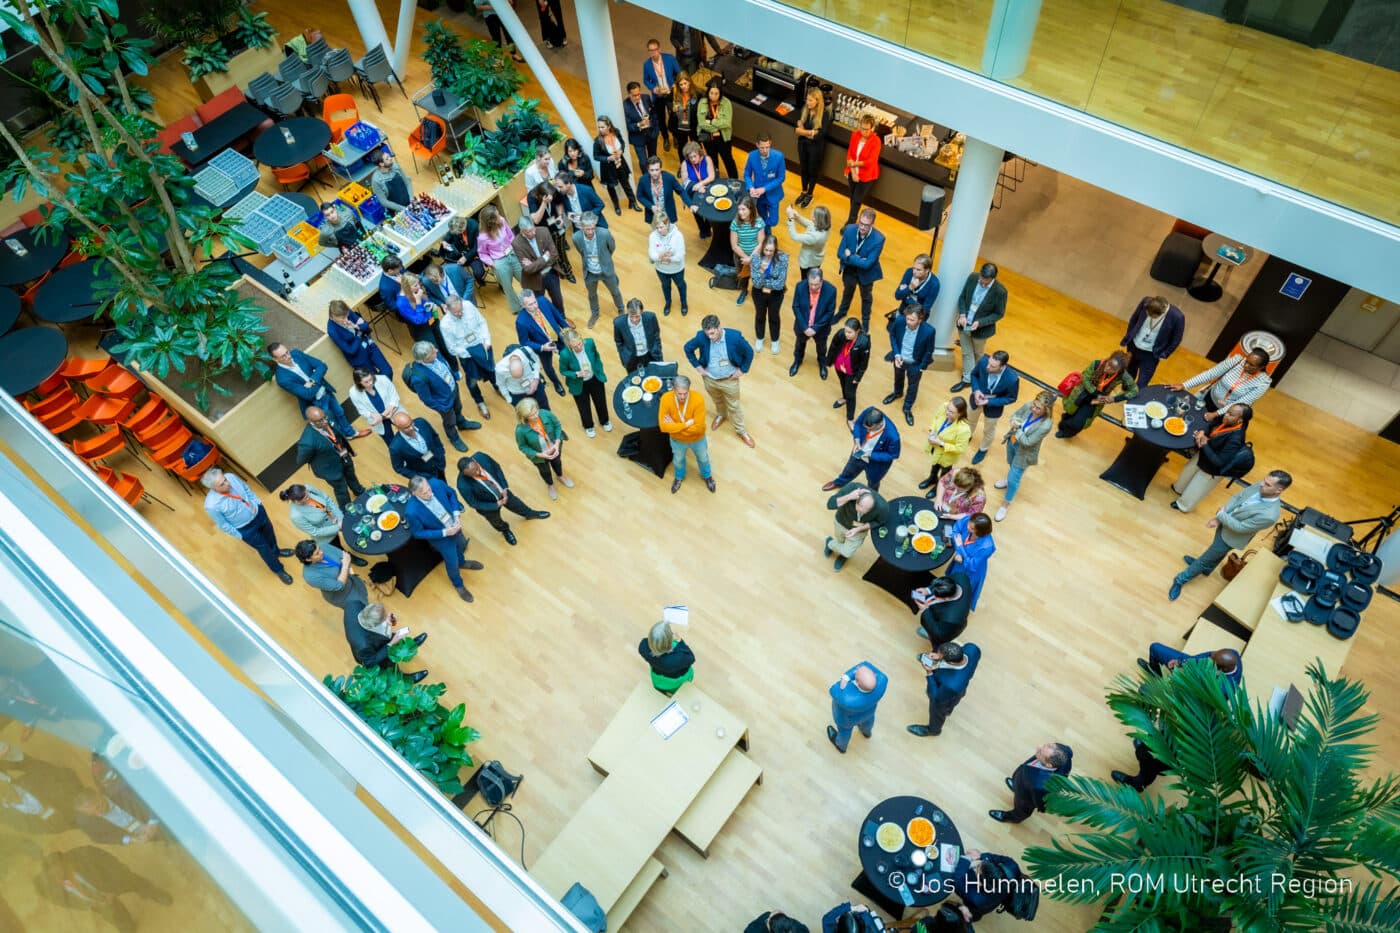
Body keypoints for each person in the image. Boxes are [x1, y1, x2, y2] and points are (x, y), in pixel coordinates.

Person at [1170, 470, 1291, 601]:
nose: (1261, 484)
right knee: (1214, 555)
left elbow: (1241, 528)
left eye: (1267, 484)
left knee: (1205, 559)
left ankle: (1180, 579)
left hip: (1231, 537)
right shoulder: (1261, 486)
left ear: (1279, 490)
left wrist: (1221, 515)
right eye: (1264, 480)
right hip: (1225, 522)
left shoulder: (1270, 515)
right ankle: (1207, 569)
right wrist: (1219, 518)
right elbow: (1237, 497)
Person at [35, 846, 172, 930]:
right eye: (53, 876)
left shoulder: (86, 854)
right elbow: (66, 903)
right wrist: (90, 904)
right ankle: (127, 927)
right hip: (95, 901)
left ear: (66, 862)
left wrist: (112, 891)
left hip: (113, 881)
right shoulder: (47, 889)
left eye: (61, 869)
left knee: (134, 882)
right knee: (115, 916)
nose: (59, 876)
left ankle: (153, 893)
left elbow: (115, 866)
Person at [201, 468, 293, 584]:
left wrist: (258, 503)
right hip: (246, 529)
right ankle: (278, 569)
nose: (227, 483)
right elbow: (223, 525)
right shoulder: (212, 505)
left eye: (224, 479)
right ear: (213, 488)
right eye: (222, 484)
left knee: (270, 534)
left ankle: (276, 551)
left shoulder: (231, 477)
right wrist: (240, 535)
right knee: (263, 548)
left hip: (259, 514)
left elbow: (246, 489)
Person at [404, 475, 484, 603]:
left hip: (455, 525)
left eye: (429, 489)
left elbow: (451, 494)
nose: (430, 494)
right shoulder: (411, 511)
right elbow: (418, 533)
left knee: (460, 546)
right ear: (414, 494)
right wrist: (444, 532)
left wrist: (456, 514)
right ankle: (458, 584)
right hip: (442, 539)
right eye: (425, 493)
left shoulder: (436, 483)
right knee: (451, 562)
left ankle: (462, 563)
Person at [684, 314, 756, 447]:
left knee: (734, 407)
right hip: (710, 379)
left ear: (719, 327)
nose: (710, 337)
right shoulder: (701, 336)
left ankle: (741, 431)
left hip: (729, 380)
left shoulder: (734, 337)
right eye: (708, 334)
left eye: (712, 333)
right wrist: (698, 368)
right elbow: (687, 348)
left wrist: (742, 370)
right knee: (717, 400)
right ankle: (721, 415)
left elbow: (749, 352)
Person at [269, 342, 367, 439]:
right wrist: (316, 375)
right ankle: (342, 442)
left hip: (325, 391)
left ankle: (350, 433)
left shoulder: (296, 354)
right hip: (315, 403)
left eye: (287, 352)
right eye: (283, 356)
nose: (288, 356)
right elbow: (308, 394)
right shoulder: (282, 378)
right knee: (329, 423)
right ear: (275, 359)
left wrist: (311, 381)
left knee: (339, 412)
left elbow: (322, 365)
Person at [1171, 403, 1252, 512]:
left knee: (1197, 487)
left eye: (1230, 414)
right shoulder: (1226, 420)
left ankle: (1183, 505)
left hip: (1213, 468)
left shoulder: (1235, 439)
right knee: (1187, 472)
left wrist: (1204, 443)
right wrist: (1202, 432)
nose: (1225, 415)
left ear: (1240, 421)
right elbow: (1211, 424)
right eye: (1227, 411)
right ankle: (1179, 489)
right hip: (1205, 453)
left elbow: (1219, 462)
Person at [455, 452, 549, 546]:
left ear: (474, 461)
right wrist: (496, 505)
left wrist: (504, 487)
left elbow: (497, 468)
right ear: (464, 474)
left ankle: (530, 514)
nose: (477, 472)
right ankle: (505, 530)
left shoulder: (481, 456)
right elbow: (473, 503)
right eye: (472, 473)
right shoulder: (462, 485)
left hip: (502, 492)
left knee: (517, 504)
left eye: (476, 469)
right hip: (488, 506)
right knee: (496, 521)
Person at [405, 340, 481, 453]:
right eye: (432, 352)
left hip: (453, 389)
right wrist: (442, 407)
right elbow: (427, 399)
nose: (436, 350)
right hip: (443, 403)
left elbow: (446, 366)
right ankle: (454, 438)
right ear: (425, 359)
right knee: (449, 421)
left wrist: (454, 376)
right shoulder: (418, 378)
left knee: (458, 409)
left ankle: (462, 423)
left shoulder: (436, 354)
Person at [994, 389, 1056, 522]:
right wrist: (1014, 421)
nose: (1033, 409)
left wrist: (1017, 428)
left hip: (1025, 452)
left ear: (1047, 410)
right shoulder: (1028, 406)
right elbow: (1015, 416)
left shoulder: (1046, 425)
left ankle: (1005, 505)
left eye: (1038, 408)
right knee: (1011, 464)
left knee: (1013, 479)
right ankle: (1008, 481)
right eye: (1034, 405)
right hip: (1012, 442)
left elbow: (1028, 442)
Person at [951, 263, 1008, 391]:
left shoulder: (1000, 291)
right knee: (966, 352)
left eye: (985, 281)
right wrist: (963, 314)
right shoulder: (972, 277)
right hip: (964, 324)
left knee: (978, 354)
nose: (982, 282)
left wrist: (980, 322)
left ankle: (978, 376)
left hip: (980, 330)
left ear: (993, 278)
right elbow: (962, 298)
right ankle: (967, 379)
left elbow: (999, 313)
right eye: (981, 279)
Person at [295, 406, 364, 508]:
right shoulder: (307, 441)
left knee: (351, 476)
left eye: (324, 418)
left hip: (344, 456)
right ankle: (347, 508)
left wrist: (347, 449)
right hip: (330, 468)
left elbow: (338, 435)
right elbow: (300, 460)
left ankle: (360, 492)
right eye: (319, 421)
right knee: (341, 490)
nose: (324, 422)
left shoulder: (328, 415)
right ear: (310, 421)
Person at [1057, 350, 1139, 438]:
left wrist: (1115, 399)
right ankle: (1063, 426)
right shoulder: (1096, 364)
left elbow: (1134, 390)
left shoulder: (1123, 375)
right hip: (1082, 393)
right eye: (1109, 364)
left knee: (1078, 423)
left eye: (1113, 369)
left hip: (1096, 401)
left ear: (1120, 370)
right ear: (1109, 359)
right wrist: (1096, 393)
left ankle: (1068, 432)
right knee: (1070, 411)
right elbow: (1085, 378)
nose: (1108, 368)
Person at [438, 294, 495, 420]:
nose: (459, 314)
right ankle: (479, 401)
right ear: (448, 309)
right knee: (472, 380)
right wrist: (472, 353)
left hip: (482, 345)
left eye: (460, 310)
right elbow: (452, 348)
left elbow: (482, 322)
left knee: (491, 369)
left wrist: (487, 340)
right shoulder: (445, 324)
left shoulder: (468, 306)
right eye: (456, 313)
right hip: (467, 354)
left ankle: (497, 386)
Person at [279, 483, 367, 564]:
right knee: (338, 548)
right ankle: (350, 558)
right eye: (305, 498)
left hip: (336, 518)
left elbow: (327, 500)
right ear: (297, 502)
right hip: (326, 534)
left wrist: (340, 518)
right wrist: (337, 527)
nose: (309, 496)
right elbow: (315, 531)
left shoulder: (307, 489)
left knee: (351, 531)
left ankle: (357, 543)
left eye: (307, 494)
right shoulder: (296, 516)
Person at [908, 641, 980, 738]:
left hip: (945, 693)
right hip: (960, 688)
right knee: (952, 704)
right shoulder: (972, 648)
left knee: (937, 712)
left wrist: (929, 672)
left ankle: (933, 730)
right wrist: (938, 656)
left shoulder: (950, 685)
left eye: (939, 656)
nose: (935, 656)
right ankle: (948, 710)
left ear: (950, 662)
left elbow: (936, 696)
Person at [989, 742, 1074, 823]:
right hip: (1022, 778)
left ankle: (1012, 817)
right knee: (1017, 781)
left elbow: (1041, 803)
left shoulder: (1040, 786)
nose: (1039, 746)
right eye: (1046, 745)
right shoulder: (1064, 750)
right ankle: (1015, 785)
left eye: (1040, 752)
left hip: (1025, 796)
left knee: (1021, 810)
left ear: (1049, 765)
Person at [821, 406, 901, 491]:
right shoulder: (869, 411)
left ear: (880, 424)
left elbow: (893, 455)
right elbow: (858, 424)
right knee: (849, 469)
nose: (868, 431)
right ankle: (839, 483)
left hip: (877, 463)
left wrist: (871, 455)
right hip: (859, 450)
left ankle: (871, 493)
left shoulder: (893, 436)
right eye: (866, 428)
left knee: (873, 481)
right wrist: (857, 440)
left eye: (870, 429)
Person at [658, 374, 714, 494]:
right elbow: (663, 427)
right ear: (673, 390)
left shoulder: (698, 399)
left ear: (689, 390)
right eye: (679, 394)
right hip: (677, 440)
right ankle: (679, 477)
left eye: (685, 393)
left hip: (697, 439)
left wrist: (674, 425)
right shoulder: (665, 399)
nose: (682, 397)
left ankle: (707, 475)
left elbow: (698, 428)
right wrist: (686, 424)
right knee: (678, 460)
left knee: (703, 458)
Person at [1172, 347, 1273, 413]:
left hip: (1227, 412)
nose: (1246, 365)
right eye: (1247, 361)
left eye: (1251, 365)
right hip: (1208, 398)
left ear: (1261, 367)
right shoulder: (1236, 361)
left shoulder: (1263, 383)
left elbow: (1241, 404)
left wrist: (1216, 414)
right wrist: (1184, 385)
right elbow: (1210, 374)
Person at [882, 303, 936, 427]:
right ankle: (897, 393)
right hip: (899, 359)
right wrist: (896, 354)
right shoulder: (900, 321)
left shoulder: (929, 331)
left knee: (913, 386)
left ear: (920, 320)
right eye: (907, 318)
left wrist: (921, 367)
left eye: (912, 320)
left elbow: (929, 350)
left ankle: (907, 407)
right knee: (898, 378)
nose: (908, 321)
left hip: (915, 364)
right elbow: (893, 335)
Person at [394, 272, 458, 374]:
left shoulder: (417, 291)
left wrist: (435, 312)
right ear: (407, 287)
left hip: (433, 321)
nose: (418, 287)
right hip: (422, 329)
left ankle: (455, 369)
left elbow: (428, 304)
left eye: (418, 284)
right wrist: (418, 301)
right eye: (415, 285)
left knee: (444, 344)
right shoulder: (401, 303)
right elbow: (418, 320)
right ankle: (447, 372)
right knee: (435, 350)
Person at [347, 602, 428, 681]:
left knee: (395, 638)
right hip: (373, 653)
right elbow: (370, 662)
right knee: (390, 664)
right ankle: (405, 679)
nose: (388, 616)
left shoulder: (354, 604)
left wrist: (388, 620)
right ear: (375, 625)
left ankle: (409, 647)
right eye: (385, 617)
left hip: (378, 637)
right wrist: (391, 643)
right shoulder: (363, 646)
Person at [966, 350, 1020, 465]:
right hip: (976, 398)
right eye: (989, 363)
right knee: (969, 421)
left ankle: (983, 449)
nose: (987, 367)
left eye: (992, 366)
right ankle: (967, 436)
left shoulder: (1012, 379)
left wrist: (989, 401)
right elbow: (974, 375)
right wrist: (976, 390)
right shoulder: (984, 362)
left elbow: (1011, 398)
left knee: (988, 430)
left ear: (1002, 367)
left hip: (993, 405)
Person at [573, 213, 626, 328]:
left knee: (615, 291)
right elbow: (581, 252)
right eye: (587, 229)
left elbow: (611, 248)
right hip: (590, 272)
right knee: (592, 294)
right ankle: (595, 313)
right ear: (581, 227)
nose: (591, 231)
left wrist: (605, 259)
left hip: (606, 269)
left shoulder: (604, 233)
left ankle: (621, 309)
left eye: (593, 228)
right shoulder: (576, 238)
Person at [835, 207, 885, 330]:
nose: (862, 227)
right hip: (850, 270)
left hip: (866, 273)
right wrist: (859, 259)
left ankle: (865, 321)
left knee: (866, 297)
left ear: (872, 224)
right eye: (861, 223)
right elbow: (840, 253)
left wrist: (850, 256)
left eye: (866, 225)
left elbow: (868, 264)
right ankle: (842, 312)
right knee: (847, 292)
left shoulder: (879, 239)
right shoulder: (849, 229)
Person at [513, 397, 572, 500]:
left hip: (554, 447)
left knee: (557, 463)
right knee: (544, 471)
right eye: (531, 415)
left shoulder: (545, 413)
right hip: (539, 456)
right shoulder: (520, 430)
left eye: (536, 412)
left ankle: (560, 476)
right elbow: (523, 447)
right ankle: (550, 485)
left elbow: (557, 425)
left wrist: (557, 444)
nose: (536, 416)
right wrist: (539, 454)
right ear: (524, 416)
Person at [515, 288, 570, 396]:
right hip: (543, 346)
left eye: (534, 302)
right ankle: (556, 383)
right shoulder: (521, 321)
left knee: (568, 356)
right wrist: (542, 347)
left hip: (559, 337)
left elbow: (558, 317)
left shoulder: (543, 301)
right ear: (523, 305)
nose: (535, 306)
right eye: (530, 304)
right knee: (548, 367)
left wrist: (568, 332)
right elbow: (524, 342)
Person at [1119, 295, 1185, 386]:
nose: (1148, 316)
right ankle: (1126, 390)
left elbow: (1176, 339)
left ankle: (1134, 399)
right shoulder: (1146, 301)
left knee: (1142, 383)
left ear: (1161, 313)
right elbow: (1134, 319)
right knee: (1129, 373)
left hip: (1152, 354)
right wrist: (1129, 335)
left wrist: (1165, 354)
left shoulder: (1177, 317)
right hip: (1134, 346)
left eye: (1151, 315)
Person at [558, 327, 611, 437]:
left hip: (594, 378)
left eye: (580, 344)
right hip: (578, 383)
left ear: (582, 339)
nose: (579, 347)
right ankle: (588, 426)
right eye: (575, 346)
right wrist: (576, 374)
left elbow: (596, 356)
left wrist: (599, 369)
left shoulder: (590, 343)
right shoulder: (565, 354)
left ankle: (604, 420)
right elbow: (563, 371)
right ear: (569, 346)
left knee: (600, 401)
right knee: (583, 406)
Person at [824, 482, 888, 571]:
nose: (863, 513)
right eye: (860, 508)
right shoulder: (851, 488)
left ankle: (831, 544)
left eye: (867, 510)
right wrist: (849, 496)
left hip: (860, 531)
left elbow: (879, 521)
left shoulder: (883, 507)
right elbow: (830, 504)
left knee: (847, 552)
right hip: (841, 522)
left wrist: (858, 529)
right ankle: (839, 550)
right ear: (856, 501)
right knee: (840, 541)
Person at [827, 661, 887, 754]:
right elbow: (866, 664)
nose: (855, 672)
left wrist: (845, 677)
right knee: (868, 722)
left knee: (844, 732)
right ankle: (866, 733)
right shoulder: (882, 681)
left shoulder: (845, 698)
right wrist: (850, 676)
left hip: (847, 721)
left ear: (857, 683)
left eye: (855, 674)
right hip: (869, 713)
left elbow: (833, 689)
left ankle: (841, 746)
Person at [950, 849, 1024, 922]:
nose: (978, 865)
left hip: (979, 906)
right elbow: (999, 858)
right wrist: (981, 856)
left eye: (977, 869)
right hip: (1000, 897)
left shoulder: (974, 897)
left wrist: (967, 858)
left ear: (980, 883)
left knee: (974, 914)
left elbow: (956, 881)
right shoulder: (1012, 866)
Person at [513, 216, 567, 313]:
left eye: (533, 228)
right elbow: (528, 269)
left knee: (558, 301)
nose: (533, 232)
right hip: (534, 279)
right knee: (539, 304)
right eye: (529, 232)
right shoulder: (516, 243)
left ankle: (562, 320)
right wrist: (545, 258)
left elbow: (554, 255)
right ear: (522, 232)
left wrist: (534, 264)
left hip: (551, 273)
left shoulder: (544, 231)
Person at [327, 299, 392, 380]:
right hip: (359, 358)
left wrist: (356, 326)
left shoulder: (346, 311)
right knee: (374, 380)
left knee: (388, 371)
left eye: (347, 316)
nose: (347, 319)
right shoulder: (332, 330)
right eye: (343, 318)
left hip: (369, 345)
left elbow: (365, 325)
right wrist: (359, 334)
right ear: (333, 316)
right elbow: (350, 350)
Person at [295, 539, 368, 609]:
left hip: (351, 579)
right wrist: (345, 566)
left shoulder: (323, 546)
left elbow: (344, 556)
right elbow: (339, 586)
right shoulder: (311, 576)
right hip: (343, 595)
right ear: (308, 559)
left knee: (363, 592)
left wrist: (348, 569)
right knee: (362, 606)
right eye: (317, 553)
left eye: (319, 548)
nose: (321, 552)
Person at [477, 204, 523, 314]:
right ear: (491, 221)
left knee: (524, 278)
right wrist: (493, 264)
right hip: (499, 261)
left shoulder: (502, 220)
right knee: (507, 287)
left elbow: (511, 235)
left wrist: (514, 247)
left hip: (512, 253)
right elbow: (482, 253)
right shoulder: (482, 237)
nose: (500, 217)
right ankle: (517, 308)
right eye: (497, 216)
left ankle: (533, 298)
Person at [921, 397, 972, 494]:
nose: (947, 412)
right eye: (947, 409)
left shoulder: (964, 429)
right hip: (935, 447)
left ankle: (938, 487)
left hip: (947, 455)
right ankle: (932, 479)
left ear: (960, 414)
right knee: (934, 465)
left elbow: (960, 448)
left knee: (944, 473)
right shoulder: (945, 407)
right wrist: (932, 431)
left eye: (951, 412)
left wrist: (941, 443)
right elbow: (936, 418)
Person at [790, 266, 834, 378]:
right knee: (799, 345)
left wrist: (815, 328)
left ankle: (822, 363)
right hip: (802, 326)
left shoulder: (831, 290)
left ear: (821, 281)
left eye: (816, 284)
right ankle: (797, 361)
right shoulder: (800, 286)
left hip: (820, 328)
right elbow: (796, 306)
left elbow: (829, 313)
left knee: (821, 347)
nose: (813, 287)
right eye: (811, 284)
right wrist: (805, 327)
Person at [1138, 645, 1243, 690]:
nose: (1208, 660)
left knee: (1144, 689)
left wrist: (1180, 674)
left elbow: (1196, 693)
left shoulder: (1224, 688)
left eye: (1211, 662)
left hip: (1193, 687)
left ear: (1219, 671)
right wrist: (1181, 663)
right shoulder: (1232, 653)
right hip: (1192, 666)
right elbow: (1205, 656)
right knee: (1155, 647)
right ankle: (1155, 673)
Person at [593, 116, 640, 215]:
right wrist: (607, 158)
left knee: (626, 183)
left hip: (620, 163)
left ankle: (633, 202)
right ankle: (616, 206)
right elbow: (596, 156)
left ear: (609, 126)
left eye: (602, 127)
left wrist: (621, 151)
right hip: (608, 168)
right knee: (611, 187)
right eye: (599, 127)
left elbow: (622, 143)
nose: (600, 129)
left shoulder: (616, 132)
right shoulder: (597, 141)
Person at [751, 236, 790, 356]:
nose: (768, 253)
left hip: (776, 295)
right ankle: (760, 338)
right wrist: (762, 271)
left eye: (771, 251)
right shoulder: (756, 257)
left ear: (775, 249)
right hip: (758, 294)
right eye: (766, 250)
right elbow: (756, 282)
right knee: (760, 315)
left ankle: (775, 340)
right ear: (762, 248)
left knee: (774, 317)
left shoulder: (783, 259)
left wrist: (763, 279)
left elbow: (780, 284)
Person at [827, 318, 869, 425]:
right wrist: (829, 361)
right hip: (839, 366)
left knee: (851, 394)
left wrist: (858, 378)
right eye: (846, 331)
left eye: (849, 332)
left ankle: (850, 418)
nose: (846, 334)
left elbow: (864, 362)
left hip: (852, 372)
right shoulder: (841, 334)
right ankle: (844, 398)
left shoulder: (864, 342)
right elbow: (833, 346)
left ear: (857, 331)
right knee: (843, 383)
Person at [950, 512, 995, 611]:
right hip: (959, 561)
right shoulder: (970, 521)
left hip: (971, 571)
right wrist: (958, 551)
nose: (967, 527)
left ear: (980, 532)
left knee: (964, 589)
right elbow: (956, 530)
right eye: (969, 525)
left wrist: (961, 548)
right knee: (953, 582)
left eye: (972, 528)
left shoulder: (986, 547)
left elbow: (972, 565)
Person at [793, 87, 830, 208]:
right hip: (803, 145)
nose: (807, 102)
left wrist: (803, 131)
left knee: (812, 171)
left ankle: (809, 194)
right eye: (807, 100)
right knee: (803, 169)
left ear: (817, 101)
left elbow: (819, 136)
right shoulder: (805, 110)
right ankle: (804, 191)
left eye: (810, 100)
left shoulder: (824, 114)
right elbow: (797, 128)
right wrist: (810, 132)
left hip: (815, 148)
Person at [347, 366, 400, 449]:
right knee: (391, 443)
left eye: (370, 379)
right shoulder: (353, 392)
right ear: (359, 383)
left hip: (394, 412)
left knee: (407, 430)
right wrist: (372, 414)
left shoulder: (382, 379)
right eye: (366, 382)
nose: (370, 383)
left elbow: (394, 397)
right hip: (378, 421)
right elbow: (361, 409)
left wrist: (385, 414)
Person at [641, 39, 680, 153]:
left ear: (659, 49)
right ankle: (666, 138)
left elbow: (679, 73)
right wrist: (653, 88)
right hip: (658, 96)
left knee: (674, 116)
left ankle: (676, 136)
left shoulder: (670, 58)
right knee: (660, 119)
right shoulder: (647, 64)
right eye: (650, 50)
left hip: (670, 93)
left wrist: (674, 84)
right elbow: (645, 80)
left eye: (655, 50)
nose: (653, 52)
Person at [647, 212, 689, 316]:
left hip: (677, 269)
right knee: (665, 286)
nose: (659, 230)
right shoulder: (653, 236)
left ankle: (684, 303)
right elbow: (652, 254)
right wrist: (660, 256)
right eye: (657, 227)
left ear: (668, 224)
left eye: (661, 227)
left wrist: (671, 259)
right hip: (661, 269)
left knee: (680, 285)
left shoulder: (678, 236)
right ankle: (668, 303)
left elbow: (681, 255)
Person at [742, 132, 787, 228]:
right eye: (762, 147)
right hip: (758, 195)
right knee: (762, 216)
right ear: (757, 145)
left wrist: (764, 189)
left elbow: (781, 177)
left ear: (770, 143)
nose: (765, 150)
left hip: (773, 194)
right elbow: (747, 174)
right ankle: (766, 235)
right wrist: (750, 187)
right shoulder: (752, 155)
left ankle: (758, 226)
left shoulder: (779, 156)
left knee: (774, 221)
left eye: (767, 147)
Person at [843, 115, 881, 226]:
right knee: (852, 198)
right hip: (853, 172)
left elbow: (871, 161)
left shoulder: (876, 141)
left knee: (856, 200)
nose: (864, 131)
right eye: (862, 128)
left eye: (867, 129)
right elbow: (850, 153)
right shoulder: (855, 135)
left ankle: (850, 223)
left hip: (866, 176)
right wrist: (853, 171)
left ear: (872, 129)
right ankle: (852, 218)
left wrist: (855, 164)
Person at [387, 411, 448, 481]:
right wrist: (418, 476)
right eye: (406, 427)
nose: (411, 428)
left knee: (443, 483)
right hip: (424, 475)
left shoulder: (421, 422)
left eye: (411, 423)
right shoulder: (395, 447)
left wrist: (441, 454)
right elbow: (398, 468)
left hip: (438, 464)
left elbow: (435, 436)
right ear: (397, 428)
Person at [914, 573, 973, 645]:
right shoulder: (961, 576)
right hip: (942, 613)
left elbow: (939, 633)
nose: (932, 595)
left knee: (936, 639)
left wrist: (924, 610)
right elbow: (943, 582)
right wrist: (928, 590)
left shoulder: (951, 619)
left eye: (936, 596)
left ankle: (930, 635)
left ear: (947, 598)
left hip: (946, 629)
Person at [636, 155, 694, 227]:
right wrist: (651, 206)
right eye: (652, 170)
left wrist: (690, 204)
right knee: (657, 235)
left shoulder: (669, 178)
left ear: (661, 169)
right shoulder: (643, 180)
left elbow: (681, 191)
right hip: (653, 215)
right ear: (648, 170)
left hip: (668, 213)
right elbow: (639, 196)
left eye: (657, 170)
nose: (654, 173)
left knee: (671, 235)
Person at [638, 620, 694, 694]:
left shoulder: (643, 646)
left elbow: (647, 641)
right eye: (671, 632)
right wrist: (680, 641)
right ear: (669, 641)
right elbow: (691, 657)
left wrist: (660, 638)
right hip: (675, 683)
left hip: (658, 681)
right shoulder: (677, 658)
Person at [729, 197, 766, 305]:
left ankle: (758, 292)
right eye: (739, 209)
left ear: (751, 209)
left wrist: (750, 259)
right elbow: (734, 246)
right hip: (741, 257)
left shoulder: (759, 222)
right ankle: (744, 291)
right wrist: (745, 258)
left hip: (756, 256)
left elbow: (761, 243)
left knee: (758, 275)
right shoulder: (735, 223)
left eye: (743, 209)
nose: (740, 212)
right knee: (743, 276)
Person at [697, 79, 737, 177]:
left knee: (728, 160)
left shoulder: (726, 103)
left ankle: (734, 180)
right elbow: (702, 123)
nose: (713, 96)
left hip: (723, 138)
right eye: (711, 93)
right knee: (712, 161)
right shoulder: (702, 102)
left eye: (716, 93)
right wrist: (716, 128)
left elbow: (727, 123)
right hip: (708, 138)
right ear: (708, 92)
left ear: (720, 93)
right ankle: (715, 180)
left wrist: (711, 121)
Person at [495, 343, 550, 410]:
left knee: (545, 408)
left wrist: (536, 380)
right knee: (528, 415)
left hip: (536, 388)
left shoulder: (527, 352)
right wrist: (510, 400)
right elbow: (501, 384)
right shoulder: (500, 370)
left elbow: (535, 362)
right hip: (518, 395)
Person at [678, 141, 716, 238]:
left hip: (707, 188)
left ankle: (707, 228)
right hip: (693, 191)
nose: (693, 159)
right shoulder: (684, 164)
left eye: (695, 156)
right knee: (697, 212)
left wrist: (700, 184)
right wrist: (697, 187)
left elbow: (711, 176)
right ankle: (702, 229)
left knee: (709, 210)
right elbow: (686, 182)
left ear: (699, 153)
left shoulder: (707, 159)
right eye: (690, 157)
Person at [614, 299, 663, 372]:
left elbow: (656, 334)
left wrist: (658, 348)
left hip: (650, 354)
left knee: (655, 374)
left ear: (642, 312)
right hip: (632, 358)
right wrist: (623, 355)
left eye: (637, 316)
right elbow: (618, 341)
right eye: (631, 316)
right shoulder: (619, 323)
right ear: (627, 312)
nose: (634, 320)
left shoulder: (651, 317)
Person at [438, 214, 486, 288]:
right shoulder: (455, 225)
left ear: (462, 228)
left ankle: (478, 279)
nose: (456, 234)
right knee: (453, 270)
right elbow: (449, 234)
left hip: (473, 254)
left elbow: (477, 247)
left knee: (479, 272)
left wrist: (466, 257)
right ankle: (463, 282)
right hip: (459, 252)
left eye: (457, 233)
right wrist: (445, 241)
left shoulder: (474, 226)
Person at [786, 203, 830, 281]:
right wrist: (797, 216)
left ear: (818, 220)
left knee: (806, 280)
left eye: (813, 216)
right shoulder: (825, 226)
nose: (811, 216)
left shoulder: (815, 237)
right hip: (816, 259)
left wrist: (790, 218)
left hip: (808, 262)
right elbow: (810, 224)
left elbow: (794, 236)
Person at [623, 81, 659, 167]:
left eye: (638, 94)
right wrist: (639, 124)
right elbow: (628, 126)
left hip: (651, 133)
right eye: (634, 95)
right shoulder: (625, 106)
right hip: (638, 137)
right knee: (643, 163)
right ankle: (646, 178)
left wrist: (656, 127)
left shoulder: (646, 97)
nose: (638, 97)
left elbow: (653, 113)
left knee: (653, 158)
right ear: (629, 94)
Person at [893, 253, 939, 317]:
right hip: (903, 310)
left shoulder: (934, 284)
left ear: (927, 270)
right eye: (914, 268)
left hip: (918, 317)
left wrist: (907, 297)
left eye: (918, 270)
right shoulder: (909, 272)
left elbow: (925, 309)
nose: (914, 271)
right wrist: (910, 287)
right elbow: (897, 296)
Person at [370, 148, 412, 214]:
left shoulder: (395, 167)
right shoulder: (376, 180)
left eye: (388, 156)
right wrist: (403, 209)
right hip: (397, 211)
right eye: (387, 158)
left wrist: (411, 199)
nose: (390, 158)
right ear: (381, 164)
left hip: (410, 203)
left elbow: (407, 182)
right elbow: (384, 202)